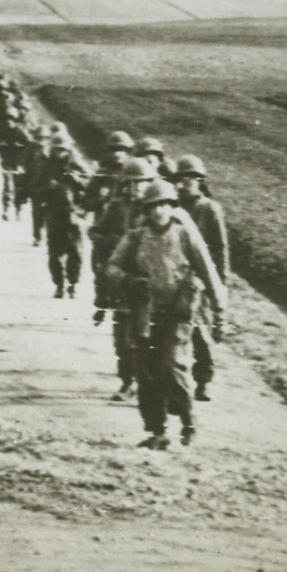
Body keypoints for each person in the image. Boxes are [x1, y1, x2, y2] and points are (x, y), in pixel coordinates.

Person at [106, 180, 226, 449]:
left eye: (164, 205)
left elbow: (208, 271)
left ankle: (188, 420)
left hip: (179, 312)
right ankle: (156, 431)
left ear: (172, 207)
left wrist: (220, 311)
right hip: (145, 313)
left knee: (170, 366)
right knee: (146, 372)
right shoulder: (136, 237)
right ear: (146, 210)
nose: (159, 211)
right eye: (153, 206)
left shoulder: (185, 235)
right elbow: (111, 267)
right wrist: (128, 280)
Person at [89, 157, 157, 398]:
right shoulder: (116, 207)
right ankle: (127, 381)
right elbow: (95, 230)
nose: (137, 188)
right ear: (125, 184)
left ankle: (142, 383)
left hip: (143, 281)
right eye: (133, 183)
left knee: (141, 336)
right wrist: (111, 243)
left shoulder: (154, 210)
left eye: (143, 182)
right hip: (119, 281)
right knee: (121, 339)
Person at [174, 155, 229, 402]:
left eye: (191, 178)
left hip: (200, 280)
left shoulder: (209, 209)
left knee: (201, 335)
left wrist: (220, 281)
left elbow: (220, 249)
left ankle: (203, 381)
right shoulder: (172, 207)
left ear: (199, 181)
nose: (185, 183)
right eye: (181, 178)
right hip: (175, 278)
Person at [42, 144, 89, 299]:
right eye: (57, 149)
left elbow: (91, 185)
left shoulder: (77, 165)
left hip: (74, 215)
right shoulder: (46, 167)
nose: (60, 153)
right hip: (54, 215)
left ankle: (72, 284)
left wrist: (77, 179)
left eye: (63, 149)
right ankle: (59, 284)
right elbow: (34, 187)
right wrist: (47, 188)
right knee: (54, 255)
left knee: (76, 254)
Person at [82, 131, 133, 218]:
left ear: (127, 151)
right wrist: (101, 200)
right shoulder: (101, 174)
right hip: (103, 224)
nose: (116, 153)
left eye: (120, 149)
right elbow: (86, 203)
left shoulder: (134, 173)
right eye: (113, 149)